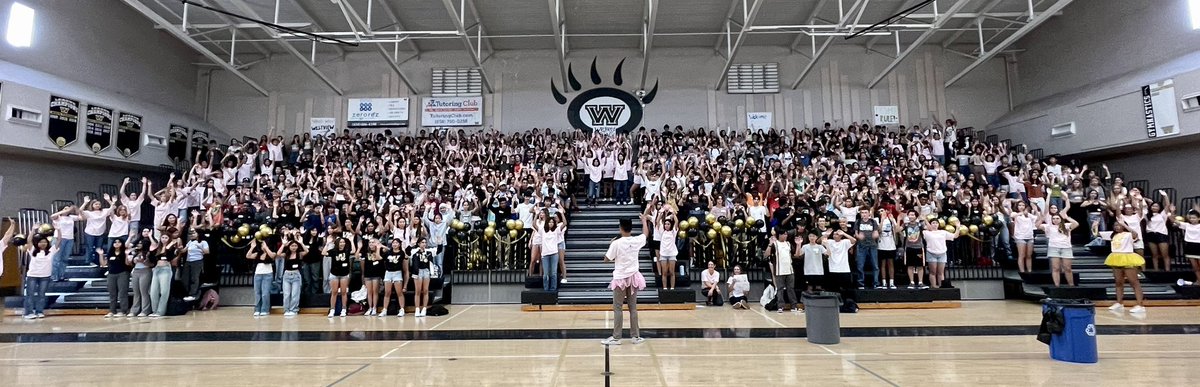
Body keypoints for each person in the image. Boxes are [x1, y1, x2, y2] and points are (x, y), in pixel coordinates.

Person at [601, 217, 648, 346]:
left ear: (620, 228)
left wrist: (611, 244)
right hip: (633, 277)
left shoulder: (616, 243)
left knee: (618, 307)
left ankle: (617, 337)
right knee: (633, 308)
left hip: (620, 278)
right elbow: (645, 234)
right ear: (631, 228)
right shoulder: (637, 240)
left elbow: (606, 259)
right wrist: (644, 221)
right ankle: (635, 336)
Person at [1105, 221, 1146, 314]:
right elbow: (1096, 235)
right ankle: (1119, 303)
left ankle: (1140, 304)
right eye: (1115, 225)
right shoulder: (1112, 235)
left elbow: (1135, 234)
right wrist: (1095, 226)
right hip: (1116, 258)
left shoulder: (1128, 234)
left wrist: (1125, 225)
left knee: (1134, 282)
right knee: (1118, 282)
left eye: (1119, 225)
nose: (1117, 226)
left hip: (1127, 257)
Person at [1039, 197, 1079, 287]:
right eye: (1054, 218)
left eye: (1057, 218)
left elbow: (1076, 224)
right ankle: (1057, 286)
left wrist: (1067, 217)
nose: (1055, 220)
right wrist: (1041, 218)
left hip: (1066, 248)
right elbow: (1037, 225)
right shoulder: (1049, 226)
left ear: (1060, 219)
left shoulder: (1067, 225)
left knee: (1067, 268)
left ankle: (1071, 286)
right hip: (1054, 248)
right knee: (1055, 268)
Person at [23, 230, 59, 319]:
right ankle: (28, 312)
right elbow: (29, 240)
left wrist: (59, 230)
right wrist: (32, 230)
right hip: (32, 276)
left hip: (45, 276)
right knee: (30, 295)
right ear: (37, 243)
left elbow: (59, 241)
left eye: (45, 242)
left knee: (42, 295)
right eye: (41, 242)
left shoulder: (50, 251)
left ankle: (39, 311)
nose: (43, 244)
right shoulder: (33, 250)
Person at [276, 229, 308, 317]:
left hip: (296, 275)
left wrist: (301, 243)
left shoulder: (299, 254)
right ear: (289, 246)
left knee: (295, 294)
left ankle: (294, 309)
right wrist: (283, 244)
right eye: (292, 246)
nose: (294, 247)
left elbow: (306, 251)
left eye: (295, 246)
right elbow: (278, 254)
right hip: (286, 275)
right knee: (286, 294)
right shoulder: (286, 254)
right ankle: (287, 309)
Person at [765, 229, 798, 313]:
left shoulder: (788, 244)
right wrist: (770, 244)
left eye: (786, 234)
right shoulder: (775, 244)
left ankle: (794, 306)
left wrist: (798, 245)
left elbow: (795, 254)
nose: (785, 236)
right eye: (784, 234)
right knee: (780, 289)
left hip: (790, 270)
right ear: (779, 235)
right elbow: (766, 254)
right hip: (779, 271)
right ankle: (780, 306)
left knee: (791, 289)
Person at [148, 234, 179, 318]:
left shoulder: (172, 248)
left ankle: (160, 311)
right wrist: (151, 251)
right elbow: (152, 260)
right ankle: (154, 310)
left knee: (164, 291)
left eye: (166, 237)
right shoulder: (158, 248)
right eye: (163, 237)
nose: (164, 239)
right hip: (157, 269)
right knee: (153, 291)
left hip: (166, 269)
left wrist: (169, 246)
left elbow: (170, 258)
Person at [98, 238, 131, 318]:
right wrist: (101, 255)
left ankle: (124, 311)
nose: (116, 243)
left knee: (122, 293)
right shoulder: (110, 253)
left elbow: (128, 264)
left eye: (118, 242)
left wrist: (127, 255)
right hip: (111, 274)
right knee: (112, 294)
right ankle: (112, 311)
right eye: (115, 242)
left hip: (122, 273)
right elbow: (103, 264)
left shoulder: (124, 252)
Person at [535, 211, 566, 292]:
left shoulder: (556, 230)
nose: (551, 223)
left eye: (552, 222)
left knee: (553, 273)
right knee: (546, 274)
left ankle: (553, 289)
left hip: (554, 254)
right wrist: (536, 214)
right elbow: (534, 225)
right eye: (549, 222)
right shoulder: (542, 230)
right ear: (547, 223)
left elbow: (565, 223)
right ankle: (546, 289)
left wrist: (562, 213)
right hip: (545, 254)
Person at [325, 236, 356, 317]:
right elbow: (324, 253)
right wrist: (327, 244)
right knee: (334, 292)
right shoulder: (333, 251)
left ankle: (344, 309)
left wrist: (351, 240)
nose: (342, 244)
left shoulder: (347, 250)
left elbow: (354, 250)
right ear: (337, 243)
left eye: (343, 242)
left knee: (343, 292)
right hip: (334, 274)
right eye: (341, 242)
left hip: (344, 274)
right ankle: (332, 309)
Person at [921, 222, 958, 289]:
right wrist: (925, 220)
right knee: (933, 272)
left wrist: (958, 228)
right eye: (933, 223)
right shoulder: (926, 232)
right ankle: (933, 286)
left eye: (936, 223)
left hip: (942, 253)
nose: (935, 224)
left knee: (940, 272)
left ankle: (942, 286)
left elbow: (954, 236)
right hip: (931, 253)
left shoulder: (943, 232)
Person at [49, 205, 79, 281]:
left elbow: (82, 217)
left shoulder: (71, 217)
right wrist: (65, 211)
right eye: (65, 208)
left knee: (64, 258)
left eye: (68, 208)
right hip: (59, 238)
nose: (68, 210)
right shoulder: (58, 217)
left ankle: (61, 275)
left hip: (69, 239)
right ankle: (54, 276)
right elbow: (52, 216)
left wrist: (76, 208)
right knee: (56, 258)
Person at [380, 238, 409, 317]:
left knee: (399, 292)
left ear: (399, 244)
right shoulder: (388, 253)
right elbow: (381, 258)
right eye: (393, 243)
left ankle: (402, 309)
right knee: (387, 293)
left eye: (396, 243)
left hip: (397, 273)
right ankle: (385, 309)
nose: (394, 244)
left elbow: (406, 259)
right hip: (388, 273)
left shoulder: (402, 253)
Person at [181, 229, 209, 301]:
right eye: (191, 234)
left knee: (194, 278)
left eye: (194, 233)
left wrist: (199, 246)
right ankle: (186, 292)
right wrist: (179, 249)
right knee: (185, 278)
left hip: (197, 261)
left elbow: (207, 251)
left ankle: (193, 294)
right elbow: (184, 250)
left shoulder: (203, 242)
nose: (192, 235)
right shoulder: (190, 242)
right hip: (188, 261)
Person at [129, 235, 153, 318]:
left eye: (140, 243)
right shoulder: (135, 252)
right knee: (136, 292)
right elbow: (130, 263)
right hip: (136, 271)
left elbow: (152, 264)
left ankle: (145, 310)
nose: (139, 245)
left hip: (145, 270)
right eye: (138, 243)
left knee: (144, 292)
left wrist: (144, 261)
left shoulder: (148, 253)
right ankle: (134, 310)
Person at [410, 238, 434, 317]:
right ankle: (417, 308)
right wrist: (411, 245)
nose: (424, 244)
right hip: (417, 272)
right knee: (418, 290)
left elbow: (439, 250)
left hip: (426, 271)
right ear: (419, 244)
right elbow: (407, 252)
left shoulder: (429, 252)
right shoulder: (415, 252)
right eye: (422, 242)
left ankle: (424, 308)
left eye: (425, 242)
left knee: (425, 290)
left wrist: (439, 243)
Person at [361, 239, 385, 316]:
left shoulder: (380, 251)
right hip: (368, 274)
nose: (371, 244)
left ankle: (374, 307)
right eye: (370, 242)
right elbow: (361, 262)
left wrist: (379, 246)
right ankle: (370, 307)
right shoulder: (366, 252)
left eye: (373, 242)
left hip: (376, 274)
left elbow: (388, 249)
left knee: (375, 291)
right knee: (369, 292)